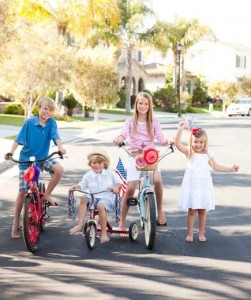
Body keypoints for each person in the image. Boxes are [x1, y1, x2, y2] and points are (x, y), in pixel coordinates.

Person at [5, 97, 66, 239]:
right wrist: (11, 152)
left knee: (59, 169)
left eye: (50, 110)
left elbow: (56, 137)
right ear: (39, 108)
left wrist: (61, 148)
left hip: (43, 158)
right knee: (22, 192)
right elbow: (18, 139)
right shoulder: (29, 123)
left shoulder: (52, 123)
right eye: (45, 108)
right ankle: (15, 223)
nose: (47, 112)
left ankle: (46, 195)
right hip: (27, 160)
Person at [175, 120, 239, 243]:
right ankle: (189, 234)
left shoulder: (208, 154)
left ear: (205, 143)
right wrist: (180, 129)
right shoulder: (190, 152)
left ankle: (201, 233)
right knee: (192, 210)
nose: (198, 145)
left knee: (202, 211)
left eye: (201, 142)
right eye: (195, 142)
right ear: (191, 142)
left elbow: (216, 167)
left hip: (203, 186)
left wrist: (231, 169)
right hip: (193, 186)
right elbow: (177, 143)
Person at [113, 91, 169, 230]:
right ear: (136, 105)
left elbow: (161, 138)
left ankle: (160, 210)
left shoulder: (154, 122)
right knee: (131, 187)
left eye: (145, 103)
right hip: (134, 156)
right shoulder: (130, 122)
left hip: (150, 156)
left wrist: (168, 141)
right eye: (140, 103)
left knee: (157, 180)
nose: (142, 106)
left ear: (150, 106)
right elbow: (123, 134)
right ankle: (122, 222)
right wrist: (120, 138)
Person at [69, 148, 122, 243]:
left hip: (107, 198)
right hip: (93, 197)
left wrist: (116, 188)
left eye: (99, 163)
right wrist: (75, 186)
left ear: (104, 164)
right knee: (83, 197)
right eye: (94, 163)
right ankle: (80, 225)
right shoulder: (88, 175)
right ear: (90, 164)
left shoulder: (110, 173)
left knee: (100, 206)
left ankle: (104, 234)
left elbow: (119, 182)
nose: (97, 165)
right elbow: (82, 185)